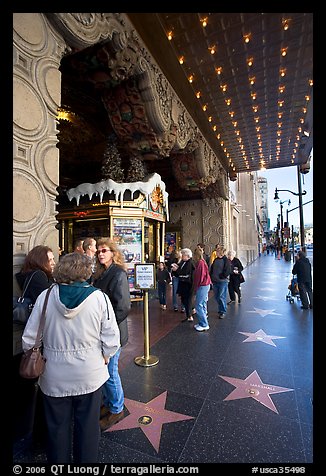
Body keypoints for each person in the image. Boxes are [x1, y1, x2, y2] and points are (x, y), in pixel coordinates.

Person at [22, 252, 120, 463]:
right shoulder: (99, 297)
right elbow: (112, 339)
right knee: (88, 428)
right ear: (87, 271)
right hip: (90, 375)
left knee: (57, 429)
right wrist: (105, 356)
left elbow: (29, 339)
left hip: (54, 376)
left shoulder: (46, 297)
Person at [92, 237, 131, 431]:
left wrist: (106, 326)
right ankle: (108, 403)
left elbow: (123, 307)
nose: (100, 253)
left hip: (113, 333)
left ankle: (117, 408)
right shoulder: (100, 273)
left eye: (104, 250)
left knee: (111, 372)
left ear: (113, 253)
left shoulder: (118, 274)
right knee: (105, 371)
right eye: (99, 250)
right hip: (101, 332)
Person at [172, 248, 195, 322]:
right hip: (183, 283)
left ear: (187, 255)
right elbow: (179, 272)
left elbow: (185, 273)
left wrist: (177, 270)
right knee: (184, 299)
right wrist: (175, 270)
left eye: (183, 255)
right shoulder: (182, 262)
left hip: (188, 284)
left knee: (187, 300)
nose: (182, 256)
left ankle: (189, 315)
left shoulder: (190, 263)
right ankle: (191, 311)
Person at [192, 247, 212, 331]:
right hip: (205, 285)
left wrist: (195, 288)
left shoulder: (200, 263)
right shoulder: (203, 262)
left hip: (202, 285)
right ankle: (202, 322)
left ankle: (204, 324)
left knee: (198, 305)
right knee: (202, 304)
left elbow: (199, 277)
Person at [209, 244, 231, 319]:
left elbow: (228, 270)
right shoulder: (216, 260)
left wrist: (222, 276)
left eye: (217, 251)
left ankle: (222, 311)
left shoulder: (226, 260)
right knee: (216, 296)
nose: (216, 253)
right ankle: (222, 307)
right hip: (215, 281)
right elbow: (212, 269)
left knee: (221, 296)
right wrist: (211, 276)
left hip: (222, 281)